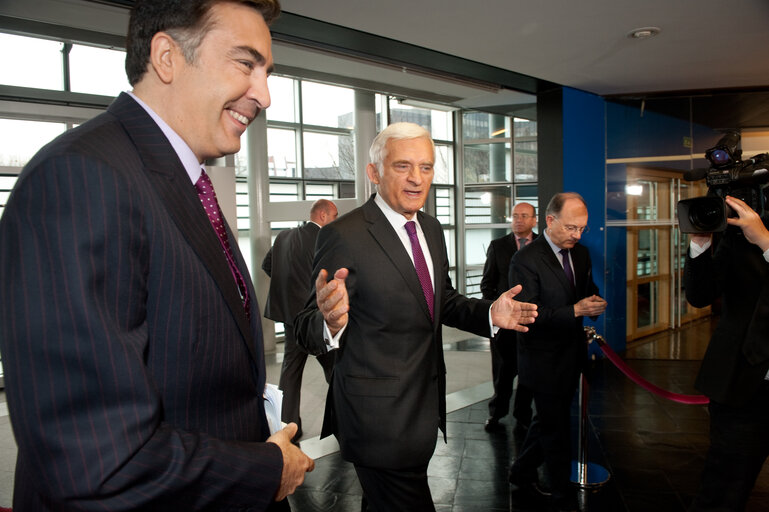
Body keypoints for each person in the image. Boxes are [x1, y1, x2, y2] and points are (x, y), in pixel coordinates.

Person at [0, 1, 315, 510]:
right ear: (167, 57)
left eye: (267, 72)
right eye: (245, 64)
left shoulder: (175, 181)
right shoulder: (83, 178)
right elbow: (99, 459)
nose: (264, 94)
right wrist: (265, 469)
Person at [294, 122, 538, 512]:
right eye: (403, 166)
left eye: (426, 167)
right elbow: (305, 327)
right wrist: (329, 321)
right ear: (374, 173)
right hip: (376, 419)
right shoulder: (344, 235)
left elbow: (443, 300)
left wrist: (491, 311)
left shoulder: (431, 228)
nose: (416, 179)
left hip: (422, 412)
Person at [508, 192, 607, 512]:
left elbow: (583, 292)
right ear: (550, 221)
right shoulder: (525, 260)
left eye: (582, 229)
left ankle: (520, 471)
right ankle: (563, 497)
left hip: (572, 353)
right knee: (556, 432)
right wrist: (575, 310)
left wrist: (593, 304)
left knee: (548, 422)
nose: (577, 236)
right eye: (571, 228)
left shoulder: (581, 255)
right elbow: (530, 314)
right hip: (541, 358)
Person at [685, 195, 769, 511]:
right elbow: (700, 295)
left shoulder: (758, 233)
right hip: (742, 386)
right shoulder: (740, 235)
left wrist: (765, 241)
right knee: (722, 492)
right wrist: (701, 243)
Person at [262, 199, 339, 440]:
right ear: (324, 216)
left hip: (290, 318)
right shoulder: (325, 239)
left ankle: (289, 428)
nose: (336, 222)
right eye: (335, 216)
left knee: (290, 372)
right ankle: (344, 420)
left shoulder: (284, 236)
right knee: (336, 368)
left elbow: (267, 266)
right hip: (315, 319)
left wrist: (289, 285)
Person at [481, 202, 537, 433]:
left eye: (524, 216)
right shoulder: (498, 246)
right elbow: (487, 284)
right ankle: (497, 413)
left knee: (528, 372)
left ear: (535, 219)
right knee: (502, 372)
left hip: (532, 323)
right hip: (504, 325)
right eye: (515, 216)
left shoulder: (543, 247)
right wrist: (498, 309)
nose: (518, 220)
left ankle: (523, 415)